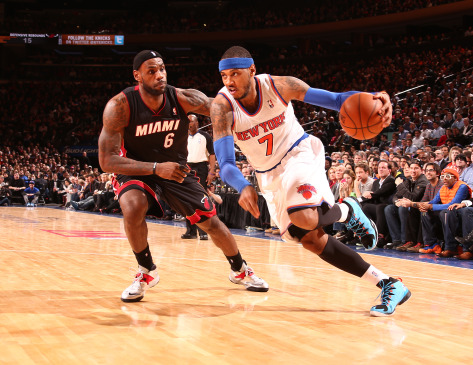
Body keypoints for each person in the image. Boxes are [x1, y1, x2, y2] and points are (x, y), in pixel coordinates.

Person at [210, 46, 410, 316]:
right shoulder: (222, 107)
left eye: (235, 74)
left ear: (252, 71)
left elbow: (339, 99)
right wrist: (243, 185)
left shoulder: (279, 85)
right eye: (224, 76)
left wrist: (373, 98)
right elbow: (225, 164)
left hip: (299, 153)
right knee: (308, 239)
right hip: (268, 175)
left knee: (303, 217)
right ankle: (389, 284)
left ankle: (348, 209)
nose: (229, 81)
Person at [98, 50, 268, 303]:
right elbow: (106, 161)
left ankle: (240, 270)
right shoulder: (120, 106)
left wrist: (262, 113)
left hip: (176, 169)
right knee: (133, 207)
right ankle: (146, 271)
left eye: (162, 68)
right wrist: (155, 167)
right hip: (136, 167)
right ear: (137, 76)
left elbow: (222, 109)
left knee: (211, 223)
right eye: (151, 71)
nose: (160, 75)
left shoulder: (182, 97)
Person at [181, 114, 216, 240]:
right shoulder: (182, 136)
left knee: (201, 199)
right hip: (186, 167)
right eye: (188, 122)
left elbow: (212, 154)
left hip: (201, 167)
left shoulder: (205, 136)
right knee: (186, 199)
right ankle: (190, 231)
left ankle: (203, 231)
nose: (189, 124)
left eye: (191, 121)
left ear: (197, 123)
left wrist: (211, 172)